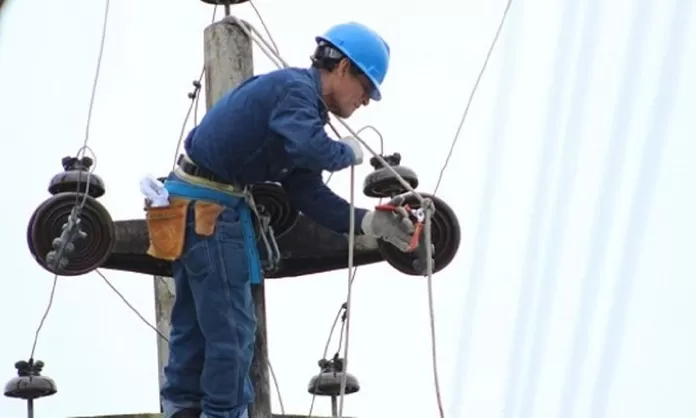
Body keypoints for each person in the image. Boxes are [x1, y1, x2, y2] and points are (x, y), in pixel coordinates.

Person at [147, 21, 417, 418]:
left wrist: (370, 224)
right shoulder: (295, 93)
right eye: (366, 88)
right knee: (233, 333)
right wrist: (347, 152)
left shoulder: (298, 111)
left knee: (196, 328)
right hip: (208, 212)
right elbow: (313, 148)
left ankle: (182, 409)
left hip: (197, 207)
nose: (366, 102)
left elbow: (308, 193)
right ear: (342, 68)